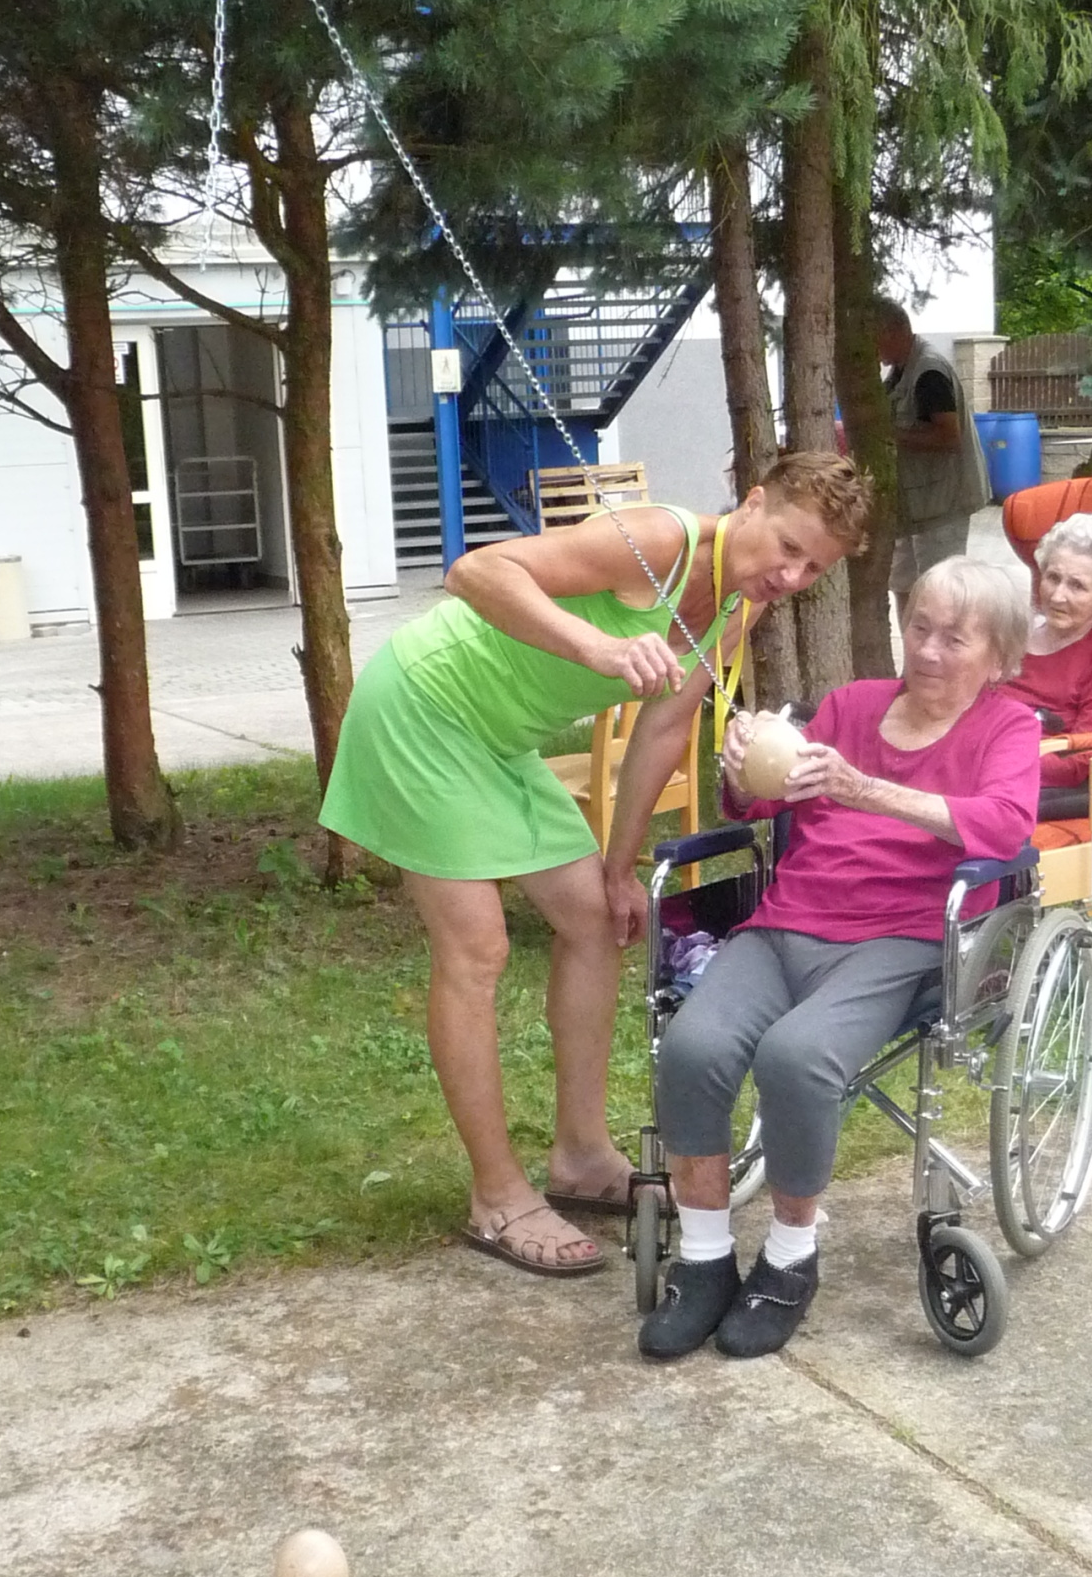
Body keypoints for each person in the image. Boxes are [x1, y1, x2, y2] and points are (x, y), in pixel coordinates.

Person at [318, 451, 874, 1275]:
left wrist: (620, 867)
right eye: (788, 546)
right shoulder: (659, 541)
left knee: (595, 919)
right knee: (477, 950)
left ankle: (579, 1155)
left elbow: (665, 725)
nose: (790, 575)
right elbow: (475, 572)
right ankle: (496, 1195)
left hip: (497, 740)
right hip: (423, 709)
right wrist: (597, 648)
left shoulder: (739, 604)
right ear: (753, 504)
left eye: (813, 568)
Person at [639, 555, 1041, 1362]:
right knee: (692, 1046)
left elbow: (1005, 825)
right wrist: (742, 767)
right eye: (918, 627)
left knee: (797, 1058)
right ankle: (706, 1258)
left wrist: (864, 790)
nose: (927, 650)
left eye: (954, 638)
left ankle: (791, 1258)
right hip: (787, 923)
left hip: (901, 940)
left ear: (998, 656)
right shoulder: (851, 705)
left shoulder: (1008, 728)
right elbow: (764, 797)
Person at [1008, 512, 1092, 819]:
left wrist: (996, 759)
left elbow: (1079, 759)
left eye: (1077, 586)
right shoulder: (1013, 634)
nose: (1057, 596)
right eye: (1053, 577)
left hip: (1031, 781)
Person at [877, 299, 991, 615]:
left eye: (874, 337)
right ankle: (913, 648)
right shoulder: (899, 370)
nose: (871, 347)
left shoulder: (929, 372)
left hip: (943, 505)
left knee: (940, 589)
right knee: (903, 584)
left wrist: (888, 436)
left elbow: (948, 436)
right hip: (915, 505)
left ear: (894, 330)